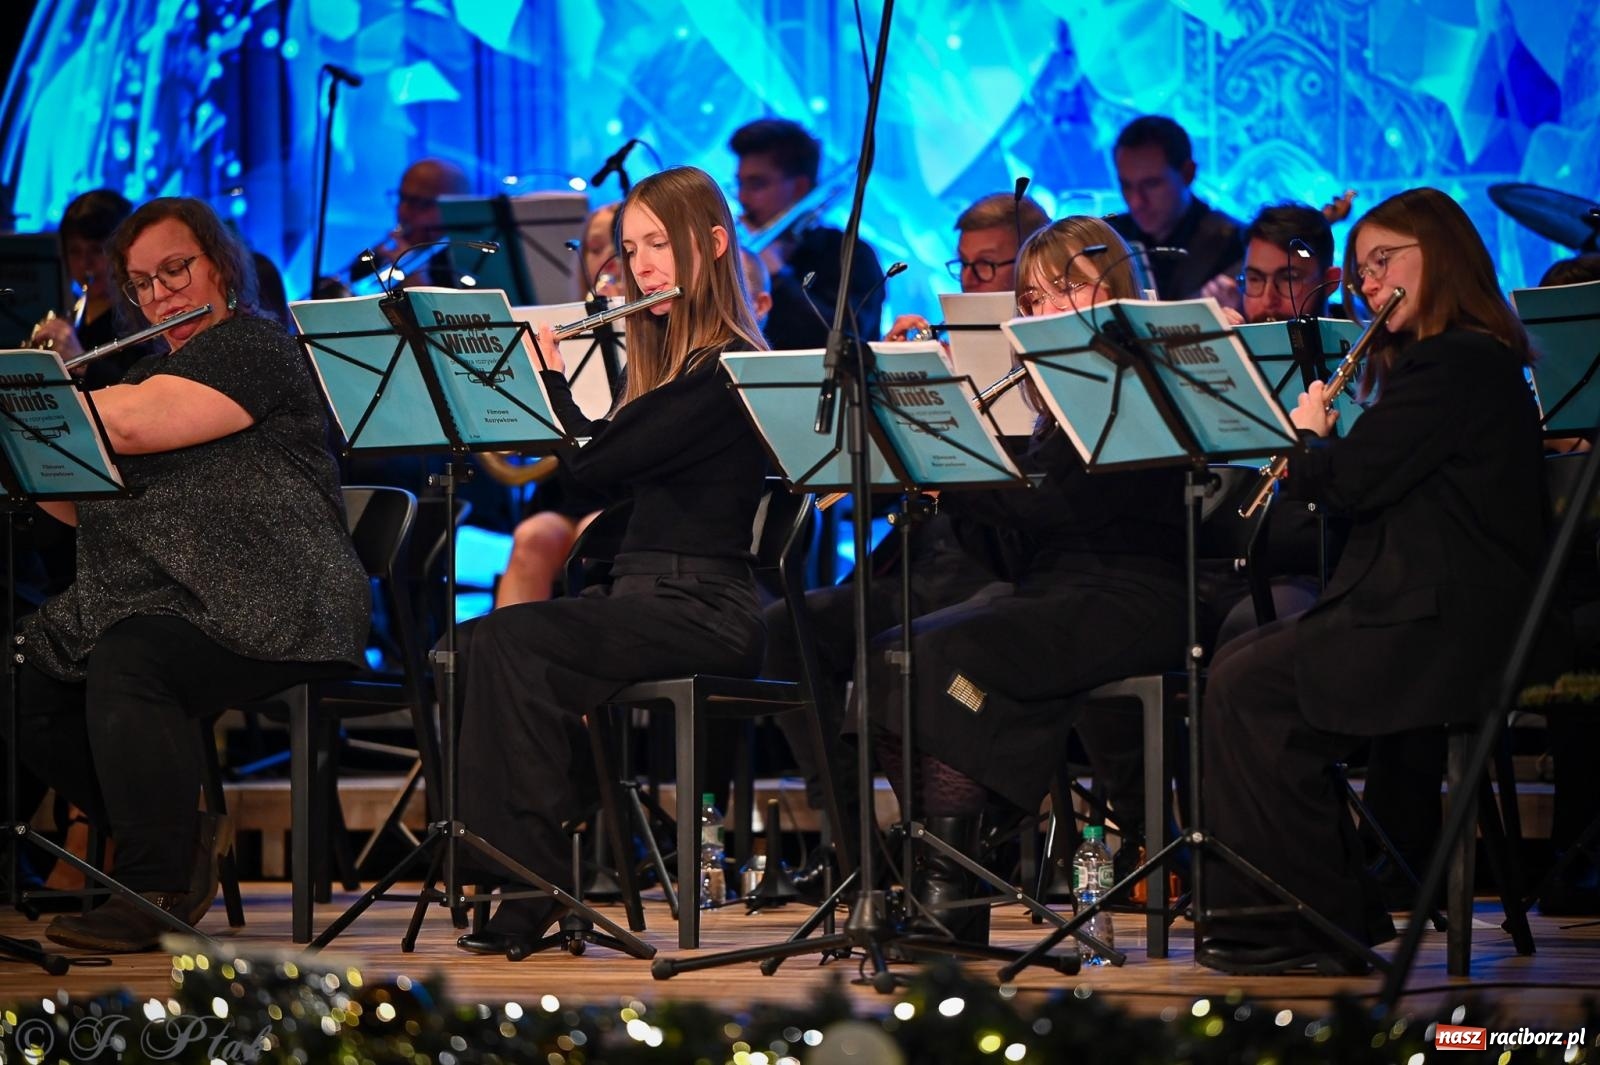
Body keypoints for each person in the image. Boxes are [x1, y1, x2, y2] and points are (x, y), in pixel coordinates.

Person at [1195, 187, 1547, 974]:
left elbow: (1351, 483)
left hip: (1442, 627)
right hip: (1425, 609)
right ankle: (1308, 912)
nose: (1369, 282)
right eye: (1361, 269)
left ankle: (1306, 921)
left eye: (1384, 261)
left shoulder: (1453, 362)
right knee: (1247, 669)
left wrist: (1310, 442)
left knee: (1249, 684)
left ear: (1441, 256)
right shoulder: (1453, 362)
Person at [6, 197, 370, 952]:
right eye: (142, 282)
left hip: (278, 594)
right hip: (175, 598)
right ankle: (176, 832)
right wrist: (37, 457)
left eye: (177, 269)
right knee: (24, 679)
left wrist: (37, 399)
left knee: (129, 657)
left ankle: (156, 881)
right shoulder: (143, 371)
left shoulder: (255, 346)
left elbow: (136, 424)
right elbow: (89, 509)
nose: (161, 292)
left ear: (221, 267)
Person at [451, 165, 770, 953]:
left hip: (706, 607)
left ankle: (528, 880)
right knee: (475, 645)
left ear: (715, 244)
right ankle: (514, 868)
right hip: (642, 600)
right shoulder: (660, 371)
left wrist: (552, 383)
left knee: (507, 640)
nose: (643, 266)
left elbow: (595, 465)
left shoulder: (726, 370)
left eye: (660, 243)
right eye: (632, 249)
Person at [865, 216, 1188, 938]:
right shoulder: (1047, 401)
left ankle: (952, 887)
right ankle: (951, 871)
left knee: (942, 653)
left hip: (1134, 595)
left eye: (1064, 290)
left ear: (1111, 294)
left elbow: (1069, 506)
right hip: (1059, 594)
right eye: (1034, 299)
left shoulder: (1140, 385)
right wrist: (945, 479)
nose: (1045, 312)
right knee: (889, 653)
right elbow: (1019, 545)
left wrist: (968, 467)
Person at [729, 117, 886, 347]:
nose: (742, 198)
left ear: (800, 188)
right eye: (740, 184)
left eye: (757, 184)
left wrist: (777, 275)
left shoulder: (852, 255)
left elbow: (847, 340)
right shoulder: (738, 255)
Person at [1105, 115, 1243, 301]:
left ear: (1188, 173)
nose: (1136, 201)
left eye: (1151, 184)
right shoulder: (1110, 234)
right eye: (1126, 185)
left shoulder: (1235, 242)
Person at [29, 189, 138, 388]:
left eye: (96, 250)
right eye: (74, 251)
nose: (84, 263)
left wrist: (82, 361)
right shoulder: (74, 315)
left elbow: (141, 390)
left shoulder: (141, 317)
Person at [349, 157, 470, 288]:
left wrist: (414, 280)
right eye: (402, 198)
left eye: (418, 202)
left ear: (453, 209)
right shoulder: (378, 259)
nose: (402, 211)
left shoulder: (467, 264)